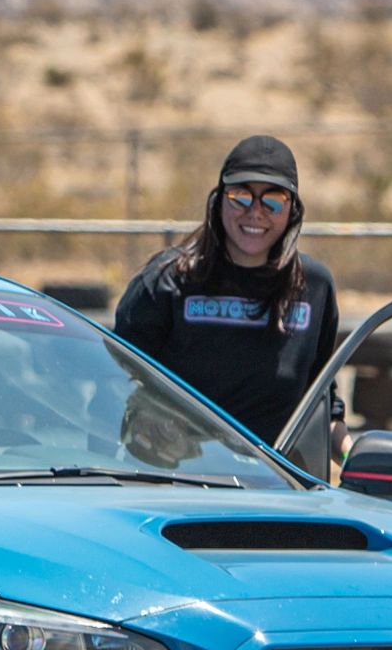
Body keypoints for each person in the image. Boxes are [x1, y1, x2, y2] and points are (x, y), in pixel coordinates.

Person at [113, 134, 342, 458]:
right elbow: (114, 377)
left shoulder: (314, 287)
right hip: (177, 483)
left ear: (292, 210)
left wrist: (356, 461)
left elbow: (323, 400)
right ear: (218, 200)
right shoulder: (167, 280)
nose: (256, 212)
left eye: (273, 200)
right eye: (240, 196)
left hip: (278, 489)